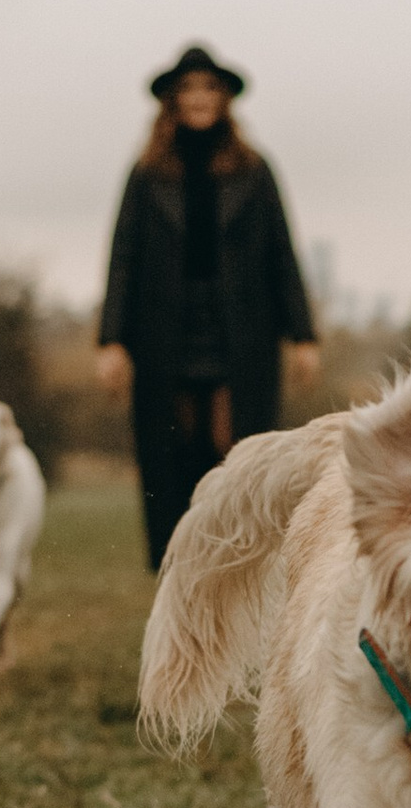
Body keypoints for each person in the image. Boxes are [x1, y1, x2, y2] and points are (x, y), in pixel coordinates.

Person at [97, 45, 320, 568]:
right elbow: (122, 256)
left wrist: (303, 335)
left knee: (235, 445)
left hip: (240, 330)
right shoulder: (147, 173)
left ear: (224, 100)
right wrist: (110, 340)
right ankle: (182, 562)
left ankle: (240, 560)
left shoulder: (254, 170)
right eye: (189, 90)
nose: (199, 99)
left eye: (209, 89)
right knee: (175, 448)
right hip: (163, 331)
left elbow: (281, 252)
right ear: (173, 103)